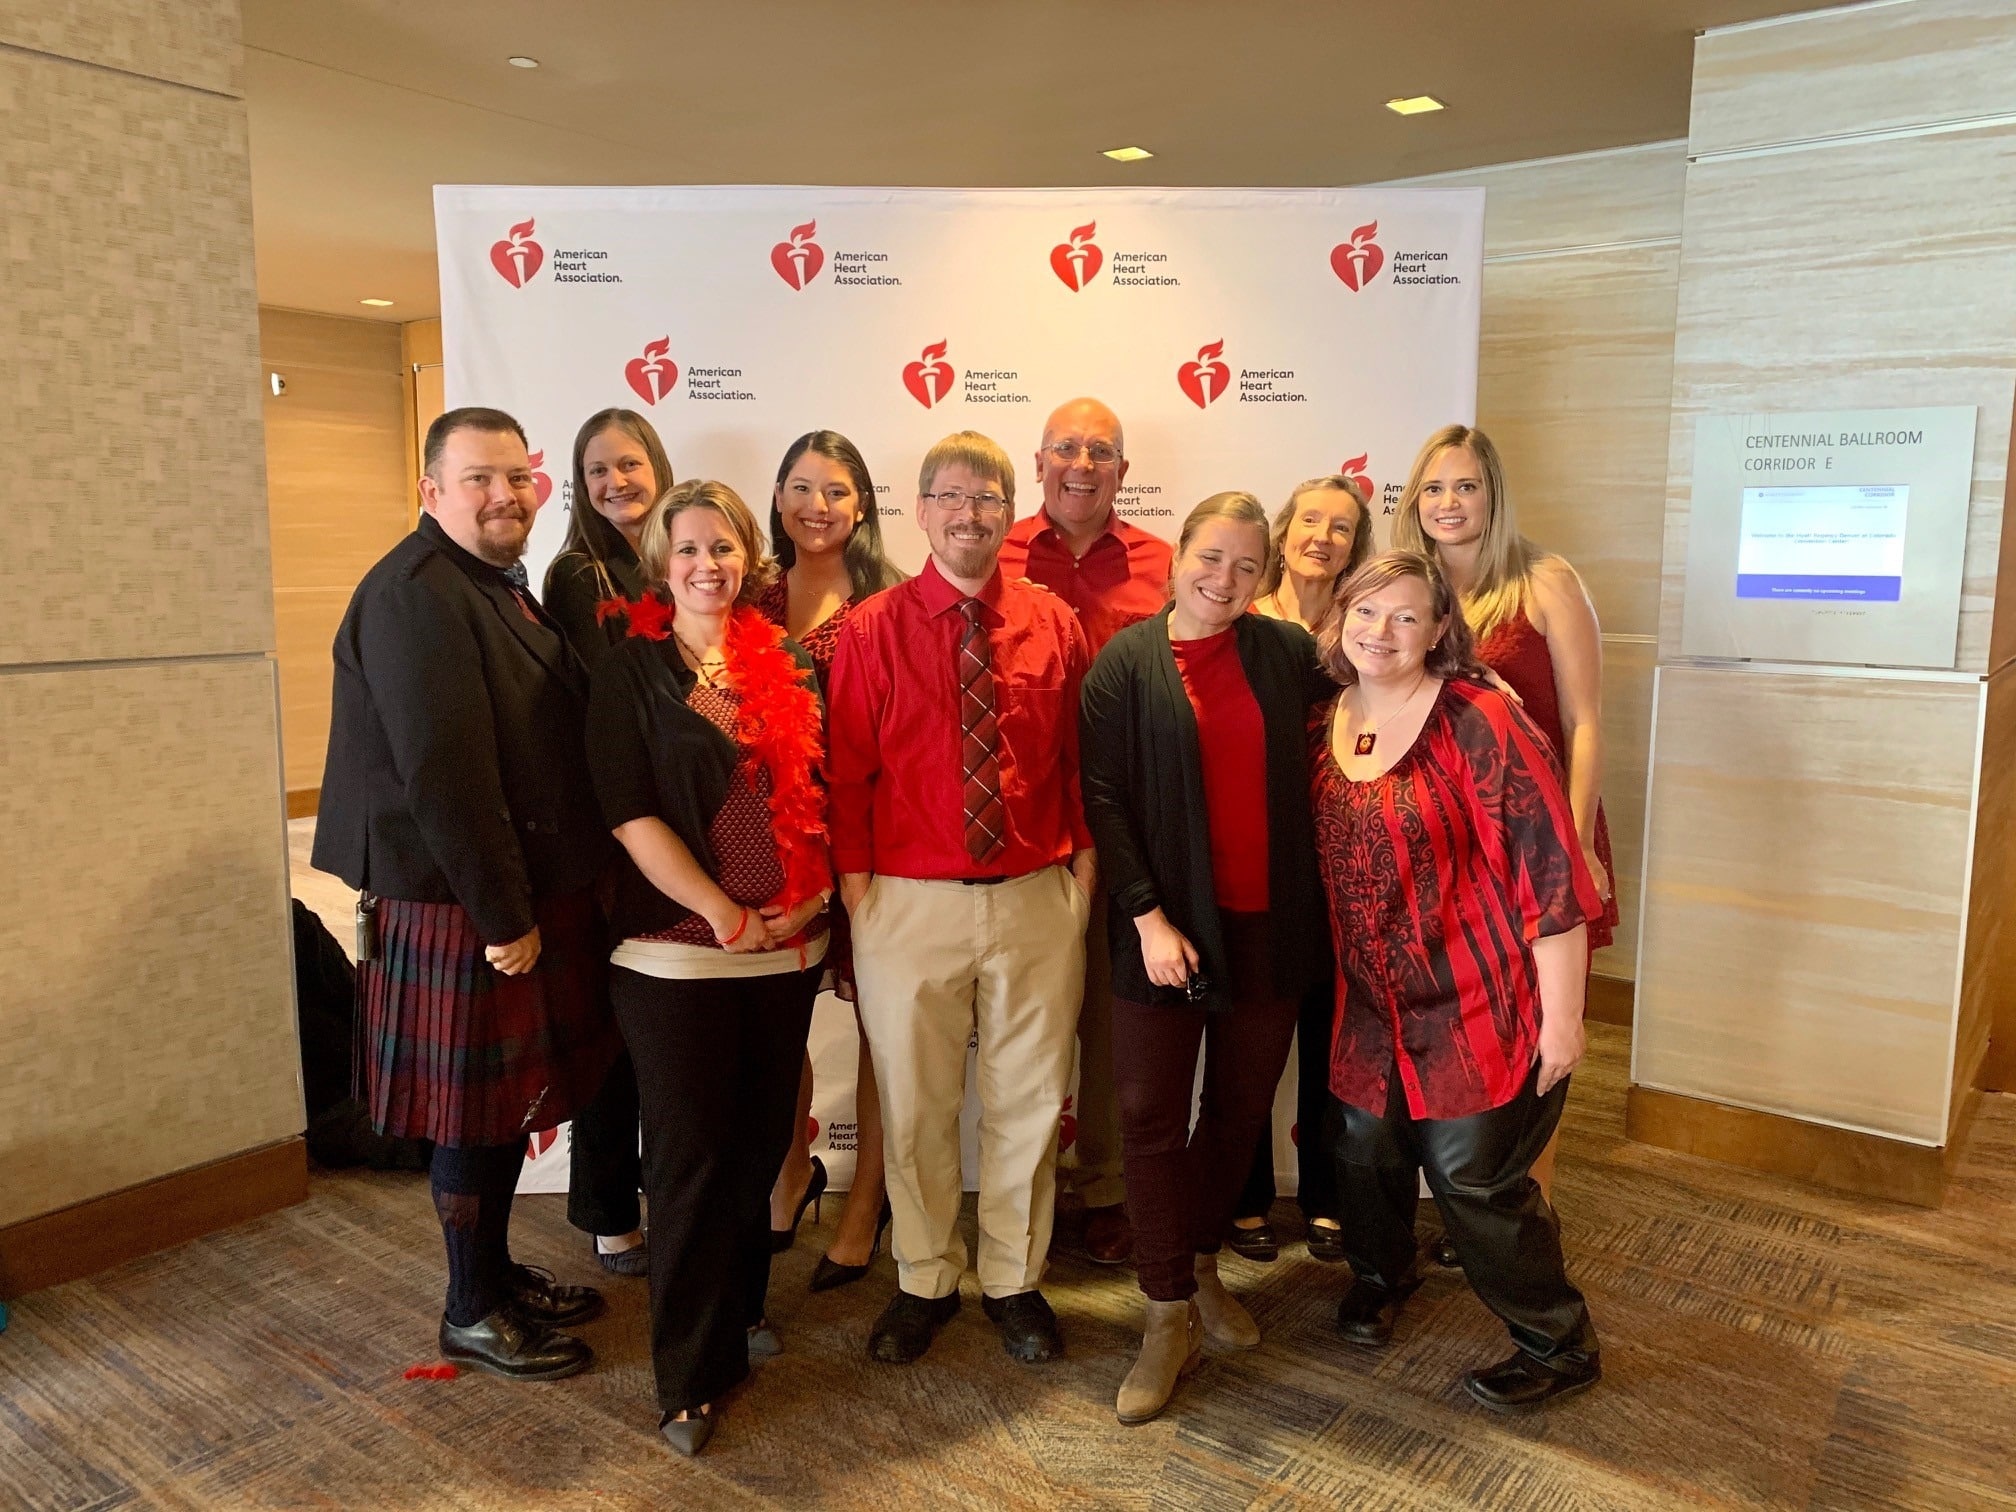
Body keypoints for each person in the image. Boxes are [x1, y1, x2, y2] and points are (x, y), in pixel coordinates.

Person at [313, 406, 615, 1382]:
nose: (502, 495)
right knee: (470, 1116)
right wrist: (506, 918)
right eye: (477, 479)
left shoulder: (489, 585)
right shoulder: (413, 596)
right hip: (465, 907)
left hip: (503, 893)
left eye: (515, 477)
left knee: (495, 1116)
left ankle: (492, 1273)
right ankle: (470, 1309)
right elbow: (446, 776)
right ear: (430, 491)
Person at [1312, 549, 1603, 1411]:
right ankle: (1382, 1274)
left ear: (1441, 629)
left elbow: (1551, 874)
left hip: (1480, 992)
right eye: (1366, 612)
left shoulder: (1480, 720)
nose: (1381, 632)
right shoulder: (1325, 717)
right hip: (1373, 1001)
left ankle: (1559, 1344)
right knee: (1362, 1149)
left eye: (1405, 616)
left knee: (1472, 1177)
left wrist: (1564, 1021)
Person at [828, 430, 1095, 1366]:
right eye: (950, 497)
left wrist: (1082, 871)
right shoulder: (870, 628)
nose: (969, 515)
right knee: (913, 1104)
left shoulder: (1055, 623)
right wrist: (861, 891)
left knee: (1028, 1102)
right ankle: (923, 1278)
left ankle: (1015, 1281)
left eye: (987, 499)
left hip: (1033, 898)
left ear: (1008, 511)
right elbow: (849, 771)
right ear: (922, 509)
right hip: (907, 903)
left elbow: (1077, 763)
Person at [584, 480, 831, 1456]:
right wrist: (722, 911)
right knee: (688, 1164)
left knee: (758, 1145)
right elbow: (629, 812)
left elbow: (820, 794)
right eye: (686, 550)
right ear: (660, 562)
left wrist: (808, 902)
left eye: (722, 548)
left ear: (747, 559)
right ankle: (687, 1376)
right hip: (676, 956)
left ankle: (738, 1315)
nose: (706, 566)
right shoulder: (630, 672)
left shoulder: (792, 664)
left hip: (787, 950)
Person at [1079, 492, 1332, 1425]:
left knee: (1236, 1113)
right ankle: (1162, 1314)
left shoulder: (1286, 655)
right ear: (1177, 555)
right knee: (1148, 1115)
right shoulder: (1124, 664)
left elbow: (1387, 682)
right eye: (1210, 559)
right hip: (1164, 926)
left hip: (1270, 923)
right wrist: (1146, 916)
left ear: (1265, 578)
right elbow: (1101, 796)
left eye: (1246, 567)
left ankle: (1195, 1273)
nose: (1224, 580)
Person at [1390, 424, 1618, 1230]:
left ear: (1494, 495)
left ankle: (1531, 1207)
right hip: (1448, 854)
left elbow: (1587, 721)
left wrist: (1579, 842)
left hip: (1540, 844)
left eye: (1466, 487)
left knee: (1538, 1033)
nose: (1449, 504)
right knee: (1470, 1031)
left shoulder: (1542, 581)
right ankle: (1471, 1205)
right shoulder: (1403, 590)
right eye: (1434, 488)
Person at [997, 397, 1171, 1267]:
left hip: (1126, 824)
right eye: (1066, 447)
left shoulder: (1164, 565)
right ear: (1038, 461)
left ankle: (1101, 1186)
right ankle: (1019, 1191)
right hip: (1019, 825)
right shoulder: (990, 552)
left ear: (1123, 472)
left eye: (1100, 450)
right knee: (1021, 1026)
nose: (1082, 463)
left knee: (1108, 1025)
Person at [757, 431, 905, 1289]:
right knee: (777, 1023)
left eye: (838, 490)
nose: (819, 505)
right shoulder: (747, 594)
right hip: (774, 842)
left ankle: (867, 1201)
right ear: (777, 498)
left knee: (881, 1028)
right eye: (802, 487)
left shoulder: (888, 601)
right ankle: (791, 1167)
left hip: (875, 840)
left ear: (862, 506)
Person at [542, 408, 675, 1279]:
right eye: (597, 472)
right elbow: (623, 704)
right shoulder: (575, 575)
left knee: (663, 1037)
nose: (616, 483)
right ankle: (605, 1212)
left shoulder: (683, 553)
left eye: (630, 464)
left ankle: (665, 1198)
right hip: (614, 827)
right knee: (612, 1035)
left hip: (682, 828)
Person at [1231, 473, 1375, 1264]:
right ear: (1283, 533)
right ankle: (1245, 1197)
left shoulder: (1368, 630)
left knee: (1332, 1040)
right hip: (1255, 859)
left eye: (1342, 528)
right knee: (1252, 1037)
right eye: (1310, 521)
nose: (1322, 537)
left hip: (1340, 861)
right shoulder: (1242, 618)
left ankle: (1327, 1196)